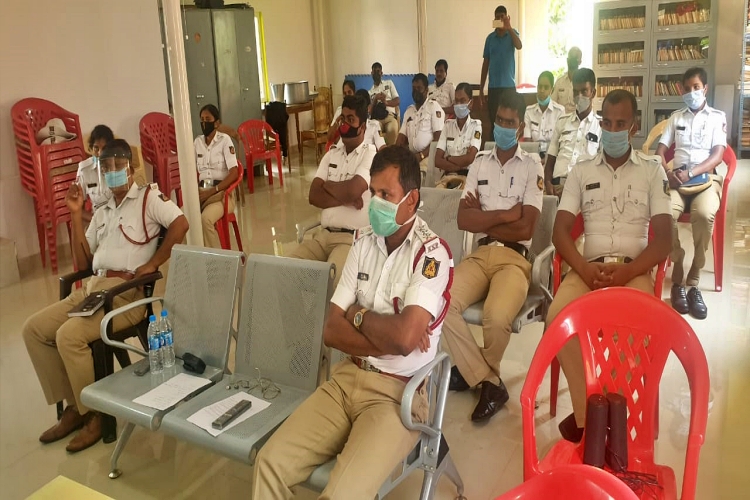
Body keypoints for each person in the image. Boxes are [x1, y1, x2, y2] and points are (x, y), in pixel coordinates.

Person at [252, 145, 451, 499]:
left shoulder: (431, 254)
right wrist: (385, 332)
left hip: (397, 395)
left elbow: (404, 338)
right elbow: (331, 328)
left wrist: (356, 315)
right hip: (346, 379)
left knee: (340, 496)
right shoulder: (362, 242)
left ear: (411, 199)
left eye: (385, 195)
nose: (375, 203)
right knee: (269, 462)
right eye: (373, 192)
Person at [22, 139, 188, 453]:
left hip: (124, 297)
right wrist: (74, 215)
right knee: (33, 329)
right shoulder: (102, 211)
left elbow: (181, 223)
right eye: (106, 167)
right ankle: (75, 407)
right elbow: (83, 264)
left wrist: (152, 262)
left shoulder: (147, 198)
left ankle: (96, 415)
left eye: (117, 165)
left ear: (131, 167)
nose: (112, 172)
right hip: (91, 292)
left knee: (68, 336)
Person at [546, 90, 672, 442]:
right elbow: (560, 232)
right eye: (608, 123)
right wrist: (584, 271)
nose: (613, 130)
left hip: (633, 272)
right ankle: (591, 421)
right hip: (588, 270)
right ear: (600, 124)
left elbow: (664, 240)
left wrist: (629, 272)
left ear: (633, 128)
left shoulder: (651, 171)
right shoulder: (580, 172)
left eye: (621, 124)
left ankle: (617, 415)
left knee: (634, 331)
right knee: (557, 319)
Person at [442, 91, 543, 422]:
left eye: (509, 122)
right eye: (499, 120)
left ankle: (472, 373)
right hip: (481, 252)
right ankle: (487, 380)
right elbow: (463, 219)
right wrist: (505, 216)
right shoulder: (480, 162)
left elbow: (527, 226)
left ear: (521, 128)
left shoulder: (532, 166)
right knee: (441, 303)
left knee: (497, 317)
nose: (502, 127)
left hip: (515, 259)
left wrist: (489, 218)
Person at [656, 67, 727, 320]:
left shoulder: (717, 117)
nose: (691, 92)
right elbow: (660, 151)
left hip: (705, 181)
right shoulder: (676, 118)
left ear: (705, 89)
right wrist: (667, 173)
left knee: (705, 214)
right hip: (677, 182)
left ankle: (694, 277)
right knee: (665, 214)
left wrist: (693, 171)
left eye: (696, 87)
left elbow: (718, 154)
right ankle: (677, 265)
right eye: (686, 88)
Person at [288, 95, 376, 288]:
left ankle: (327, 318)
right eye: (343, 119)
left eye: (351, 120)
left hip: (350, 240)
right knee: (287, 271)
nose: (344, 125)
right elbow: (313, 195)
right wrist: (346, 197)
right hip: (322, 236)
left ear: (362, 127)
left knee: (332, 282)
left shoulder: (370, 154)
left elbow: (353, 190)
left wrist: (328, 186)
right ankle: (305, 317)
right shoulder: (331, 154)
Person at [545, 68, 601, 198]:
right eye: (576, 92)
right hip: (556, 188)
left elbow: (602, 170)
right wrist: (548, 183)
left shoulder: (601, 127)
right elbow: (551, 159)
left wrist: (573, 190)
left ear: (593, 92)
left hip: (585, 191)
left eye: (584, 91)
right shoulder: (562, 122)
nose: (579, 96)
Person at [193, 104, 239, 249]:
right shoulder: (197, 142)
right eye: (201, 119)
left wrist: (213, 191)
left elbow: (234, 173)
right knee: (180, 217)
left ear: (216, 123)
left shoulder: (224, 141)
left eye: (208, 119)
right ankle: (193, 258)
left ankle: (215, 264)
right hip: (202, 193)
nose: (204, 123)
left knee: (205, 219)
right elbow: (190, 169)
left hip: (222, 195)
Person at [480, 5, 523, 125]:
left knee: (510, 120)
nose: (500, 19)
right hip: (493, 88)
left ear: (506, 17)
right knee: (494, 121)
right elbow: (485, 63)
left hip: (509, 87)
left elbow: (519, 46)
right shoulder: (490, 39)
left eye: (502, 17)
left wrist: (509, 28)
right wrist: (481, 88)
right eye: (497, 17)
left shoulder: (512, 33)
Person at [396, 73, 445, 173]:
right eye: (414, 88)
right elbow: (401, 137)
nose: (416, 91)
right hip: (412, 157)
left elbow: (438, 138)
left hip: (428, 157)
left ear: (426, 90)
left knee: (418, 176)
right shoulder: (409, 111)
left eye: (419, 88)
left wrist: (421, 155)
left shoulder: (433, 107)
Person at [434, 82, 482, 179]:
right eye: (456, 101)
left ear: (471, 103)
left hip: (468, 177)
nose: (459, 104)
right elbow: (437, 160)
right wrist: (458, 166)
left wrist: (447, 158)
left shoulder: (476, 126)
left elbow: (470, 158)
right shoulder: (447, 126)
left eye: (463, 100)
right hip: (448, 177)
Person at [76, 125, 116, 221]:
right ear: (91, 148)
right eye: (96, 148)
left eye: (104, 148)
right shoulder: (84, 170)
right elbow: (79, 209)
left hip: (119, 219)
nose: (100, 153)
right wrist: (97, 221)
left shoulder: (119, 166)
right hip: (97, 221)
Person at [524, 71, 566, 160]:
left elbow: (560, 143)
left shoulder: (559, 111)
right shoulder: (529, 111)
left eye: (546, 87)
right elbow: (527, 142)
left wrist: (547, 160)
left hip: (553, 158)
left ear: (552, 90)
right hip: (533, 158)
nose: (542, 90)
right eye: (540, 86)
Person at [369, 62, 401, 145]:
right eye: (374, 71)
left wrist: (385, 102)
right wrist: (375, 99)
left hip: (389, 116)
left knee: (392, 130)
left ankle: (390, 153)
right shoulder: (370, 92)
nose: (376, 73)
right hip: (377, 119)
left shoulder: (389, 83)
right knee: (374, 132)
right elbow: (369, 112)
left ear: (381, 73)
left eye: (378, 71)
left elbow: (397, 101)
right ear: (371, 73)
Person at [551, 47, 583, 114]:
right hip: (561, 120)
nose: (572, 61)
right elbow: (552, 103)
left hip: (577, 120)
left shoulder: (583, 83)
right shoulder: (559, 82)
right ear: (567, 60)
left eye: (575, 58)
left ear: (580, 62)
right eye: (571, 58)